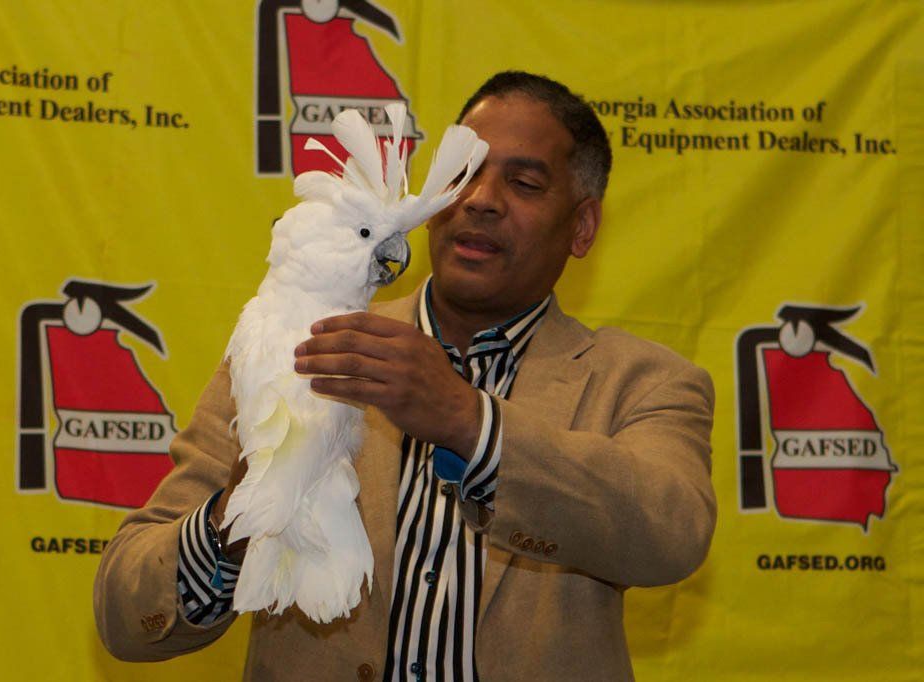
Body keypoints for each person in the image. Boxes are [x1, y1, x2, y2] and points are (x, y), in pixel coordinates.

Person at [94, 71, 716, 682]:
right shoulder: (302, 344)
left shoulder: (643, 382)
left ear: (581, 227)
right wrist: (241, 513)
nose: (479, 199)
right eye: (462, 174)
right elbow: (126, 614)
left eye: (523, 183)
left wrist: (470, 423)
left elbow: (671, 533)